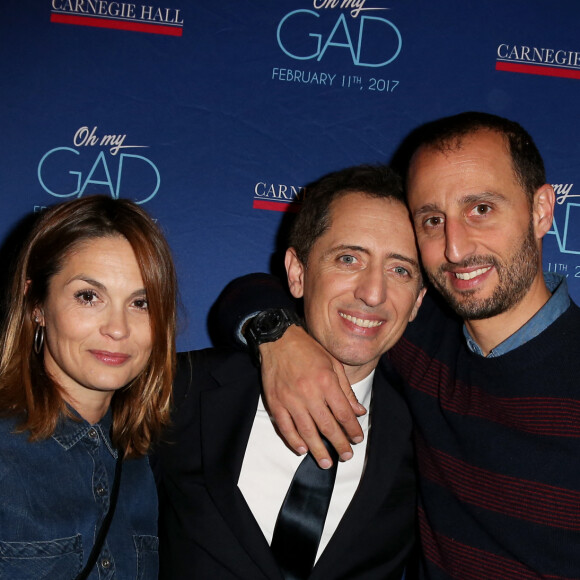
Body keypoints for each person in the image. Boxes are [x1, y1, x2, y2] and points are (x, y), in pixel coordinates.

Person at [223, 112, 580, 578]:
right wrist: (278, 337)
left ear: (541, 211)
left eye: (481, 209)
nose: (455, 248)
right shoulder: (413, 331)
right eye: (432, 220)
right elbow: (253, 290)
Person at [153, 165, 426, 579]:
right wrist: (273, 333)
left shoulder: (429, 441)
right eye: (348, 259)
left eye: (400, 269)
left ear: (419, 300)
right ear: (297, 273)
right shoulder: (182, 392)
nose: (373, 292)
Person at [0, 195, 177, 579]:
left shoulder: (142, 459)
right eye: (88, 296)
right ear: (37, 304)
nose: (117, 328)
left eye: (141, 302)